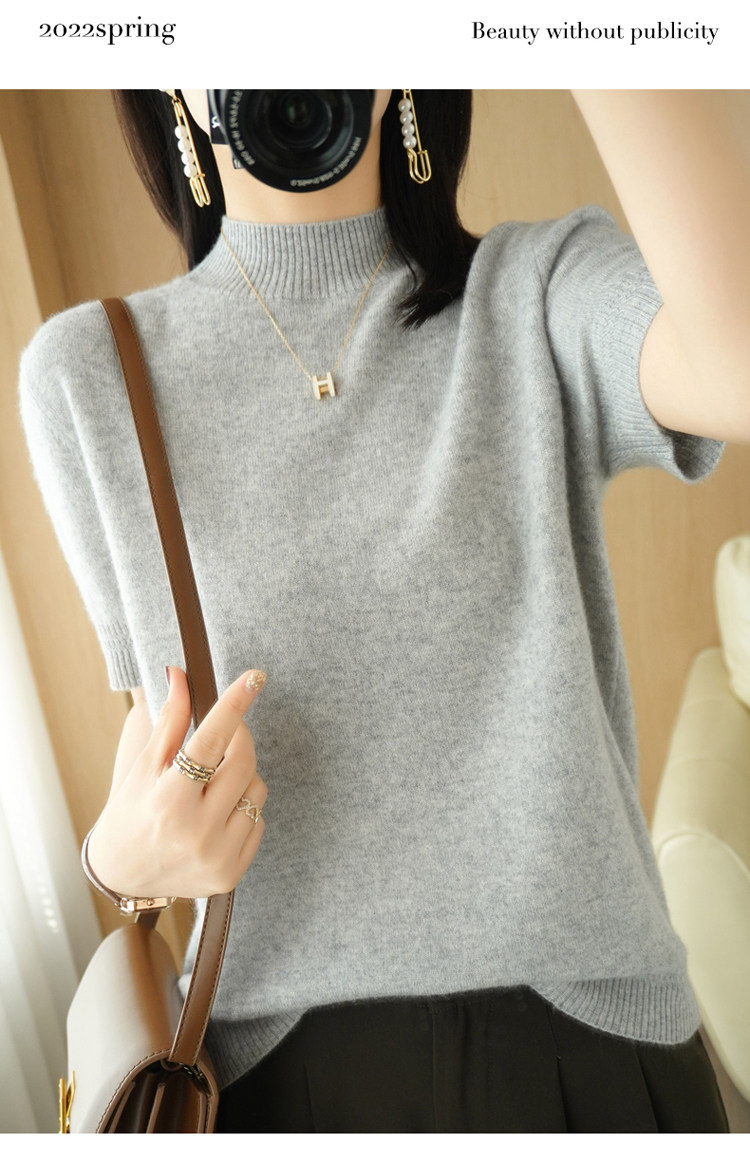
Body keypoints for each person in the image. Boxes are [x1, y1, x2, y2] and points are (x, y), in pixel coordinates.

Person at [18, 89, 739, 1133]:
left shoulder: (536, 292)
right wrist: (117, 868)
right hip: (276, 1081)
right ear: (170, 82)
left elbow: (733, 362)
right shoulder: (89, 375)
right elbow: (161, 755)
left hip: (592, 1055)